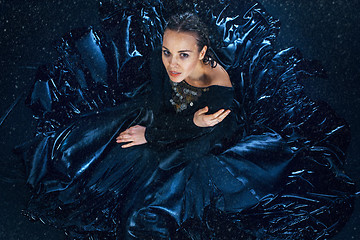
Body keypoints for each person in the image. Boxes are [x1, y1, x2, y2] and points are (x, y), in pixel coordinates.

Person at [17, 1, 356, 239]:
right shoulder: (164, 59)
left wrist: (159, 132)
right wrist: (155, 119)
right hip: (169, 116)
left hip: (200, 144)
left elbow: (205, 142)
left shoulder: (219, 92)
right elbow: (157, 96)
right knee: (107, 132)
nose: (172, 63)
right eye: (168, 52)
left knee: (150, 202)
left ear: (203, 54)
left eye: (183, 56)